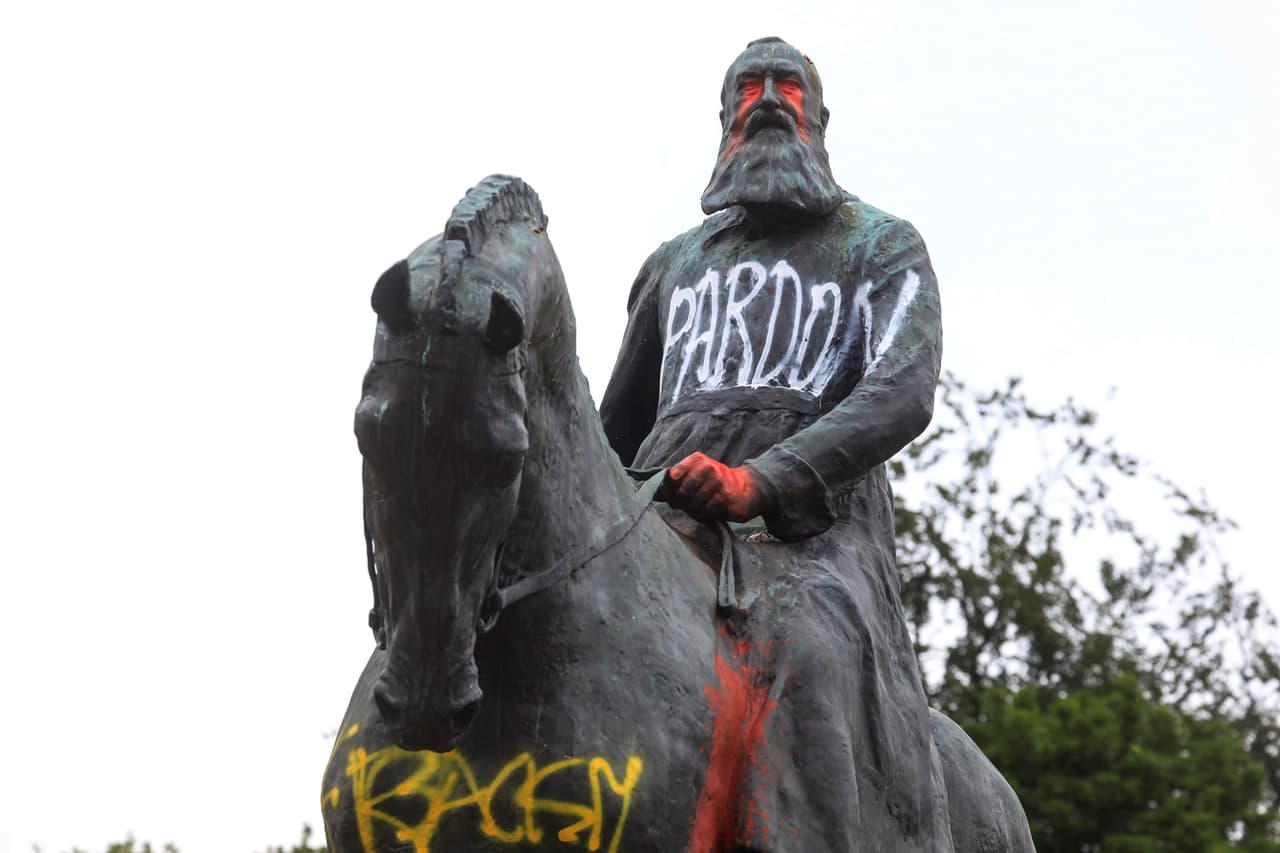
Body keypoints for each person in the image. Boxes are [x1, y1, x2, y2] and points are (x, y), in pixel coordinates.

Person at [601, 37, 954, 851]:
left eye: (786, 85)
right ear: (726, 117)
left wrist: (759, 482)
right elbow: (615, 425)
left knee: (805, 642)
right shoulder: (670, 266)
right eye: (748, 87)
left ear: (819, 118)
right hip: (661, 521)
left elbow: (902, 391)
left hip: (812, 546)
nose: (765, 99)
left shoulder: (881, 244)